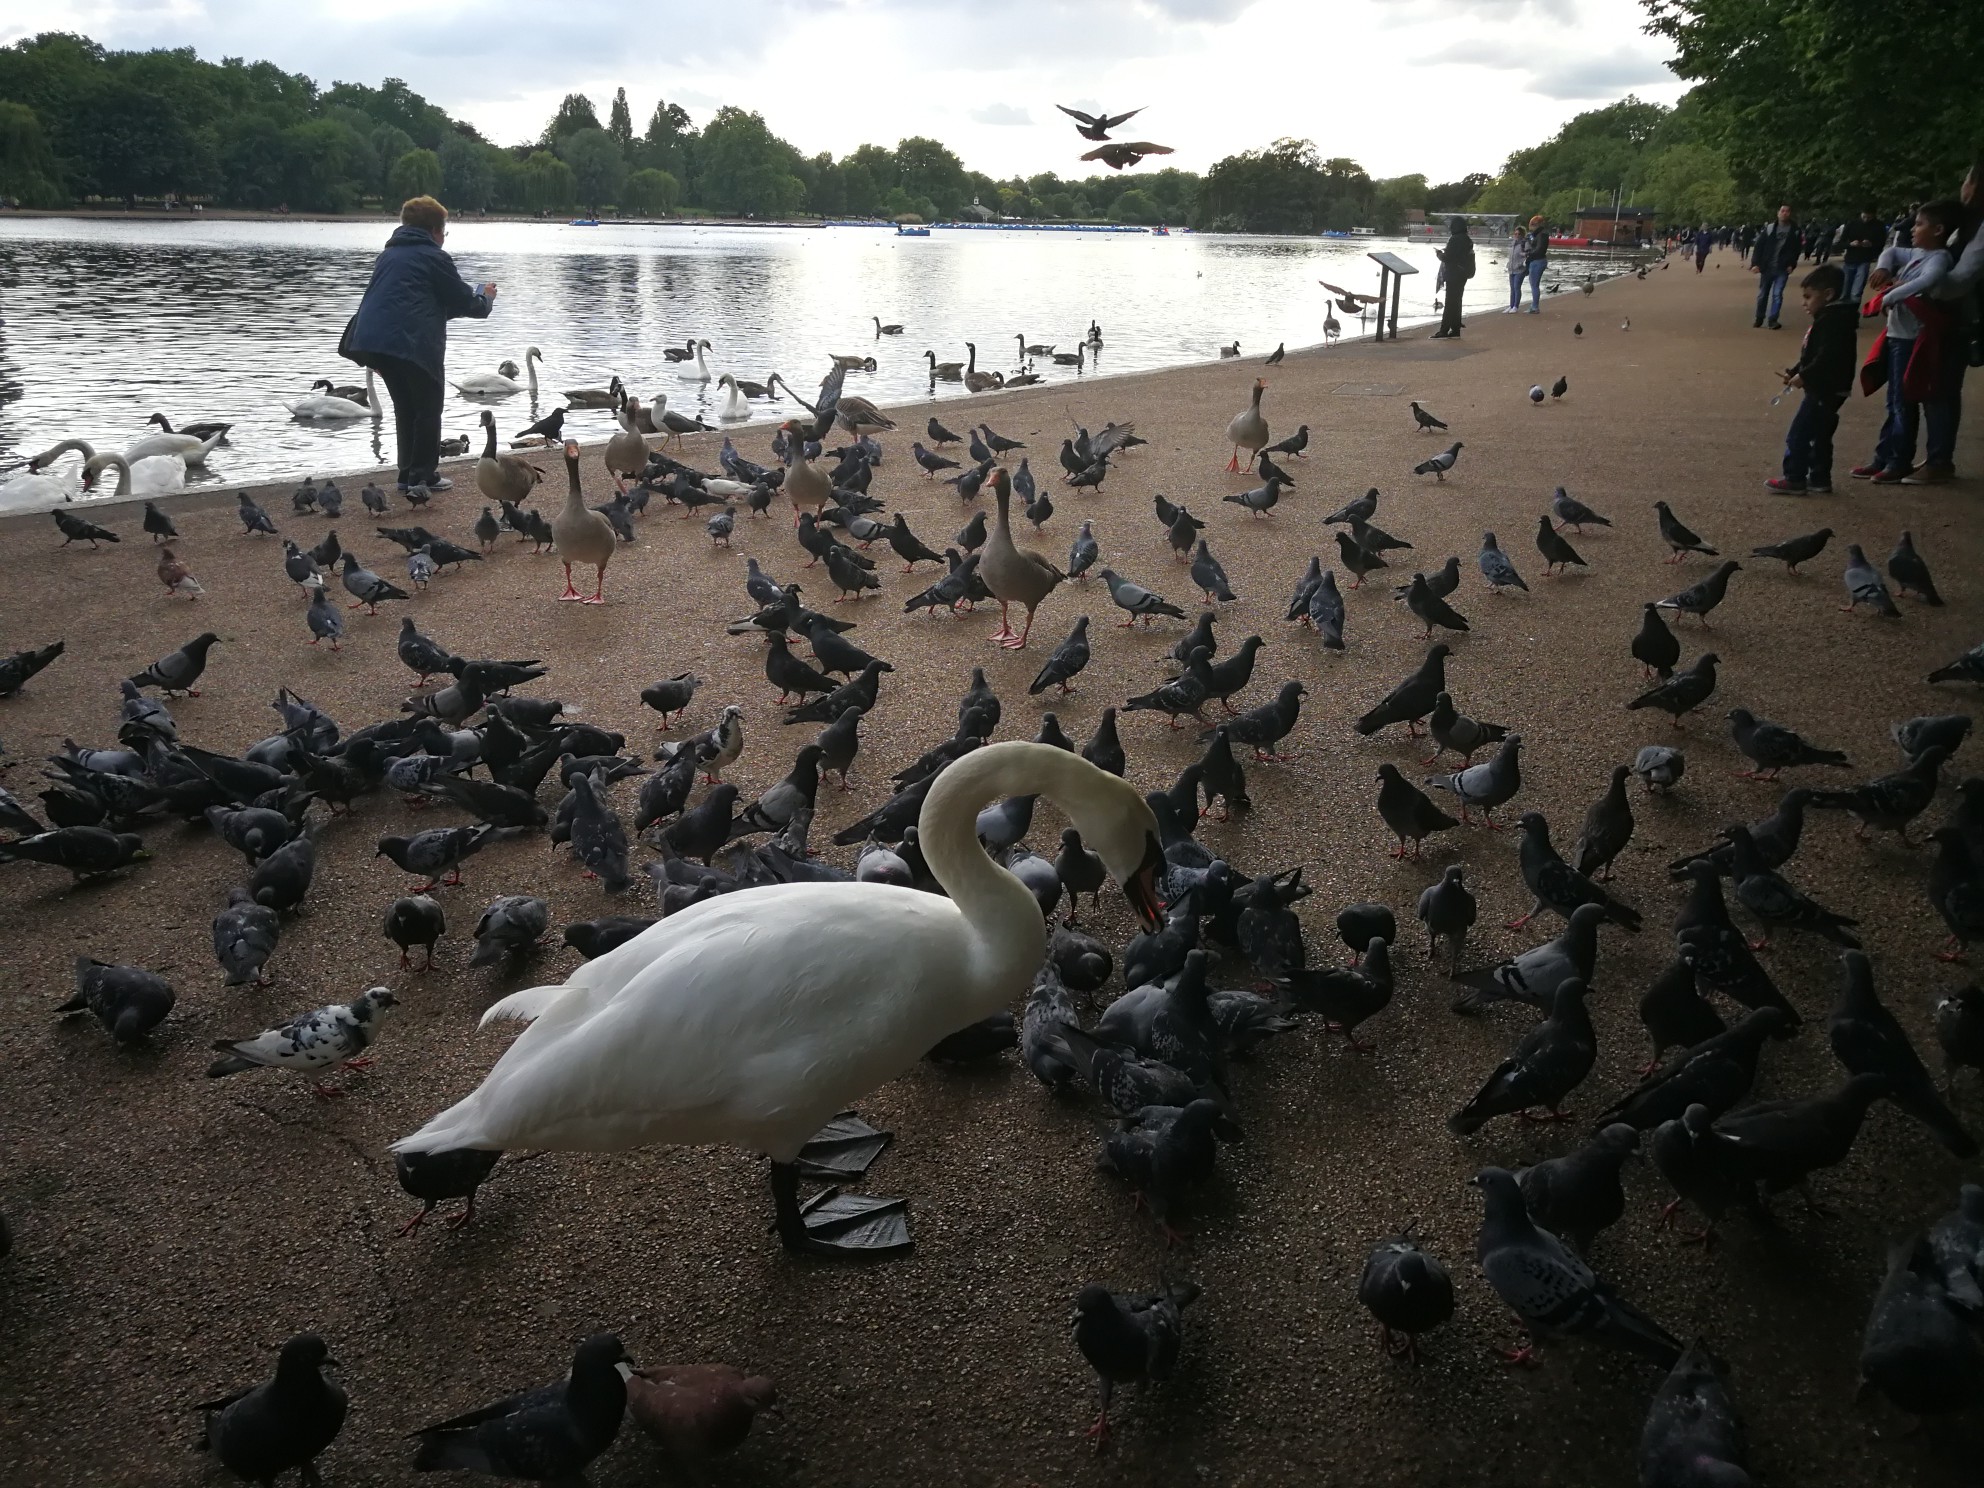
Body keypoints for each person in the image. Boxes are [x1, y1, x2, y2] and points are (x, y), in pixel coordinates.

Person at [342, 195, 496, 492]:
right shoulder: (433, 256)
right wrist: (486, 298)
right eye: (444, 231)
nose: (443, 237)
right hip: (412, 344)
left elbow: (420, 307)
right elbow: (466, 302)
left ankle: (406, 476)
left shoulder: (388, 255)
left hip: (374, 343)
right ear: (435, 230)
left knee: (405, 409)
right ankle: (424, 476)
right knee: (427, 408)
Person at [1851, 198, 1961, 485]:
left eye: (1920, 224)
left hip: (1912, 339)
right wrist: (1886, 269)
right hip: (1897, 335)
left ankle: (1898, 461)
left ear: (1938, 230)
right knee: (1894, 402)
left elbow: (1927, 281)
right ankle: (1885, 457)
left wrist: (1889, 296)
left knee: (1903, 402)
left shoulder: (1938, 258)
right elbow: (1891, 251)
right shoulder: (1919, 253)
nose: (1913, 229)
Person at [1913, 156, 1984, 484]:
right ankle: (1938, 457)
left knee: (1940, 389)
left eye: (1968, 179)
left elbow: (1958, 282)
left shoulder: (1979, 228)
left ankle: (1940, 461)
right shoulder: (1967, 224)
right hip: (1951, 320)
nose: (1964, 186)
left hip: (1959, 321)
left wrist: (1917, 285)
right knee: (1939, 389)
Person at [1765, 264, 1857, 494]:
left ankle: (1794, 477)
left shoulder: (1831, 322)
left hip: (1824, 388)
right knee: (1820, 434)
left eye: (1808, 297)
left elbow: (1826, 358)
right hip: (1834, 387)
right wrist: (1795, 370)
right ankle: (1819, 477)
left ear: (1828, 294)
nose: (1804, 303)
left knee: (1799, 433)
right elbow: (1814, 355)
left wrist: (1803, 376)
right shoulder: (1833, 319)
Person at [1751, 205, 1801, 328]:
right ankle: (1759, 317)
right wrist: (1755, 264)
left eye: (1787, 211)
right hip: (1767, 267)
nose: (1785, 213)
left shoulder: (1795, 230)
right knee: (1763, 294)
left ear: (1790, 214)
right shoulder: (1769, 229)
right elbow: (1759, 247)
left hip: (1782, 268)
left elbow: (1796, 250)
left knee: (1777, 294)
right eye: (1782, 211)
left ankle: (1773, 320)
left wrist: (1792, 265)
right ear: (1778, 213)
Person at [1431, 218, 1474, 338]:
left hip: (1453, 273)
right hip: (1463, 273)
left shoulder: (1454, 239)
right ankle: (1455, 329)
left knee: (1450, 302)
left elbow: (1448, 258)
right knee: (1457, 301)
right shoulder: (1467, 239)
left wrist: (1439, 254)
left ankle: (1444, 330)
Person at [1840, 208, 1884, 304]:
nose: (1866, 219)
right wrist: (1850, 244)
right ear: (1861, 214)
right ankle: (1842, 310)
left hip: (1865, 259)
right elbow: (1841, 242)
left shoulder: (1879, 226)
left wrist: (1871, 244)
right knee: (1844, 289)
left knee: (1857, 291)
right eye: (1864, 217)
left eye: (1869, 217)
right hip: (1849, 259)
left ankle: (1852, 310)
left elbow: (1881, 244)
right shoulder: (1852, 224)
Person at [1522, 215, 1549, 312]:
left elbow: (1539, 250)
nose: (1531, 227)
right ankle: (1534, 305)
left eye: (1532, 225)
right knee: (1535, 284)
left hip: (1537, 261)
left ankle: (1535, 307)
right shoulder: (1542, 234)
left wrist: (1528, 254)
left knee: (1534, 285)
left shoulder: (1540, 235)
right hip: (1540, 260)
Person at [1504, 222, 1528, 313]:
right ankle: (1511, 305)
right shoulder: (1512, 244)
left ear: (1522, 234)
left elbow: (1528, 253)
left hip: (1520, 269)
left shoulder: (1524, 243)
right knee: (1512, 288)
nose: (1517, 235)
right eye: (1515, 234)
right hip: (1511, 269)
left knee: (1517, 287)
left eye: (1519, 234)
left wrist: (1523, 256)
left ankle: (1516, 306)